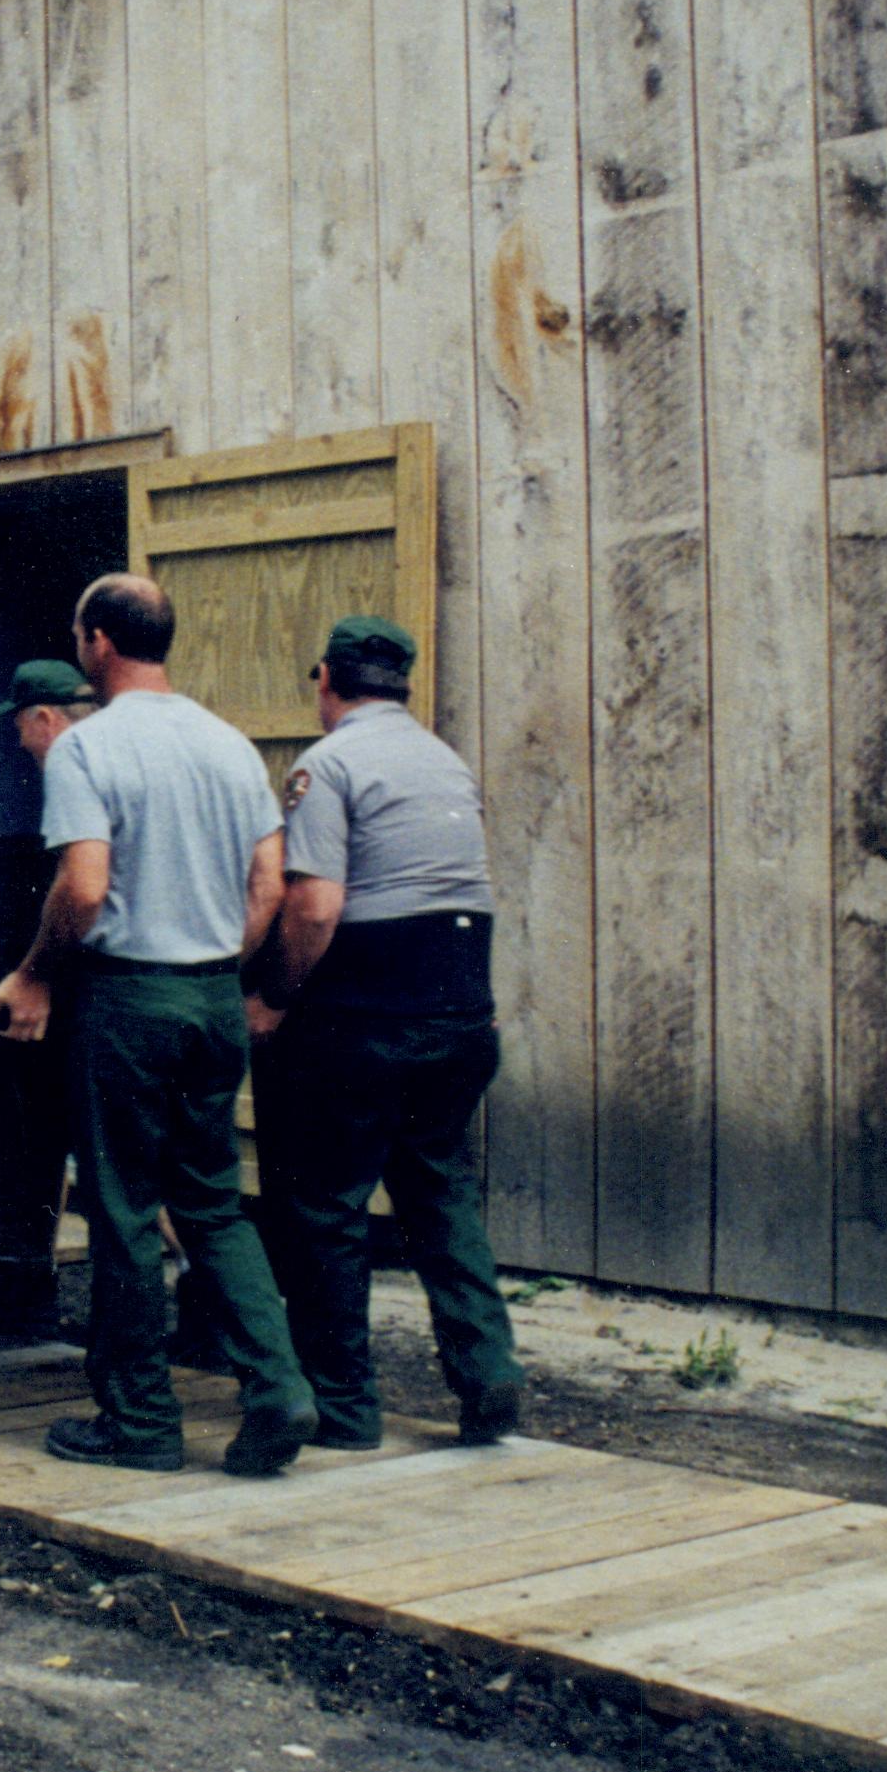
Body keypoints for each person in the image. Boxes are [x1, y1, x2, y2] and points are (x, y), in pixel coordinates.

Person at [0, 574, 316, 1476]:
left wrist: (33, 971)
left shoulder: (88, 750)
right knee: (212, 1205)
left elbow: (85, 887)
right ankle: (278, 1387)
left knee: (126, 1208)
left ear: (96, 641)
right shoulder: (226, 744)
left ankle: (139, 1420)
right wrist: (210, 959)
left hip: (127, 1001)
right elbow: (268, 890)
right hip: (212, 995)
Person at [247, 617, 521, 1448]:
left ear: (326, 677)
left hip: (363, 1018)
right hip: (460, 1011)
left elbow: (317, 903)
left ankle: (345, 1408)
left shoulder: (327, 764)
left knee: (327, 1207)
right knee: (440, 1195)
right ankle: (490, 1382)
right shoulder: (447, 760)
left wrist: (275, 997)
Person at [0, 659, 100, 1340]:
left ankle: (21, 1284)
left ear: (45, 717)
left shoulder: (76, 761)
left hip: (97, 996)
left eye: (20, 726)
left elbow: (80, 885)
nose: (17, 743)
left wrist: (33, 974)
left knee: (102, 1150)